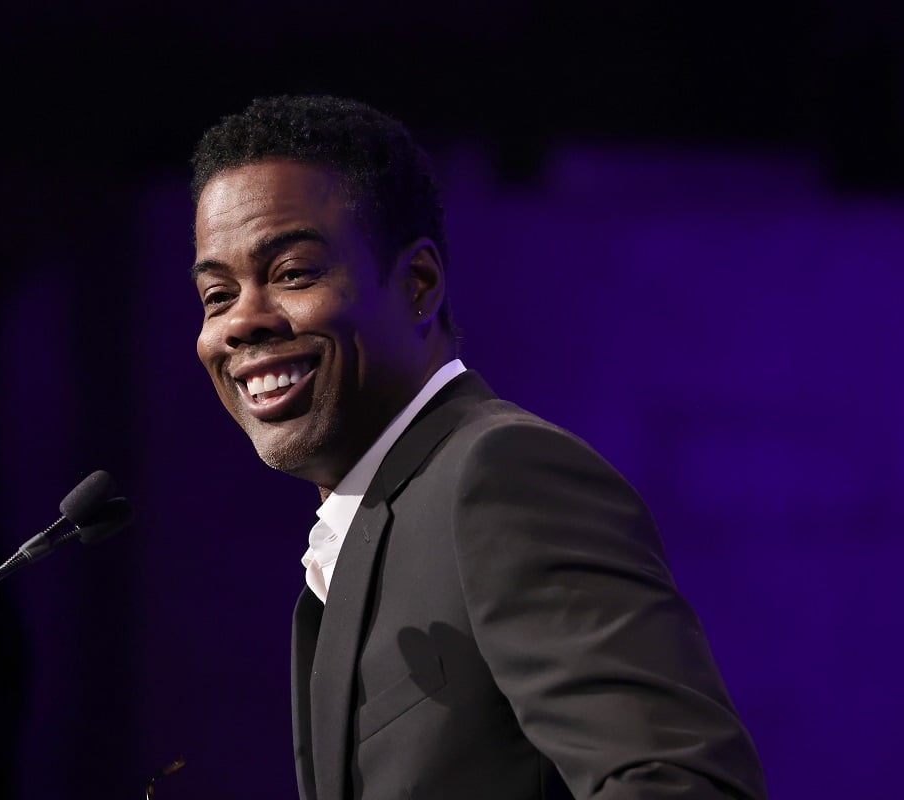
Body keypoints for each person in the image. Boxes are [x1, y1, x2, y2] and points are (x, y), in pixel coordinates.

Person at [189, 94, 767, 800]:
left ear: (419, 283)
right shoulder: (367, 528)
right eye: (217, 295)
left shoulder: (500, 476)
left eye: (293, 273)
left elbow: (681, 782)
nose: (242, 322)